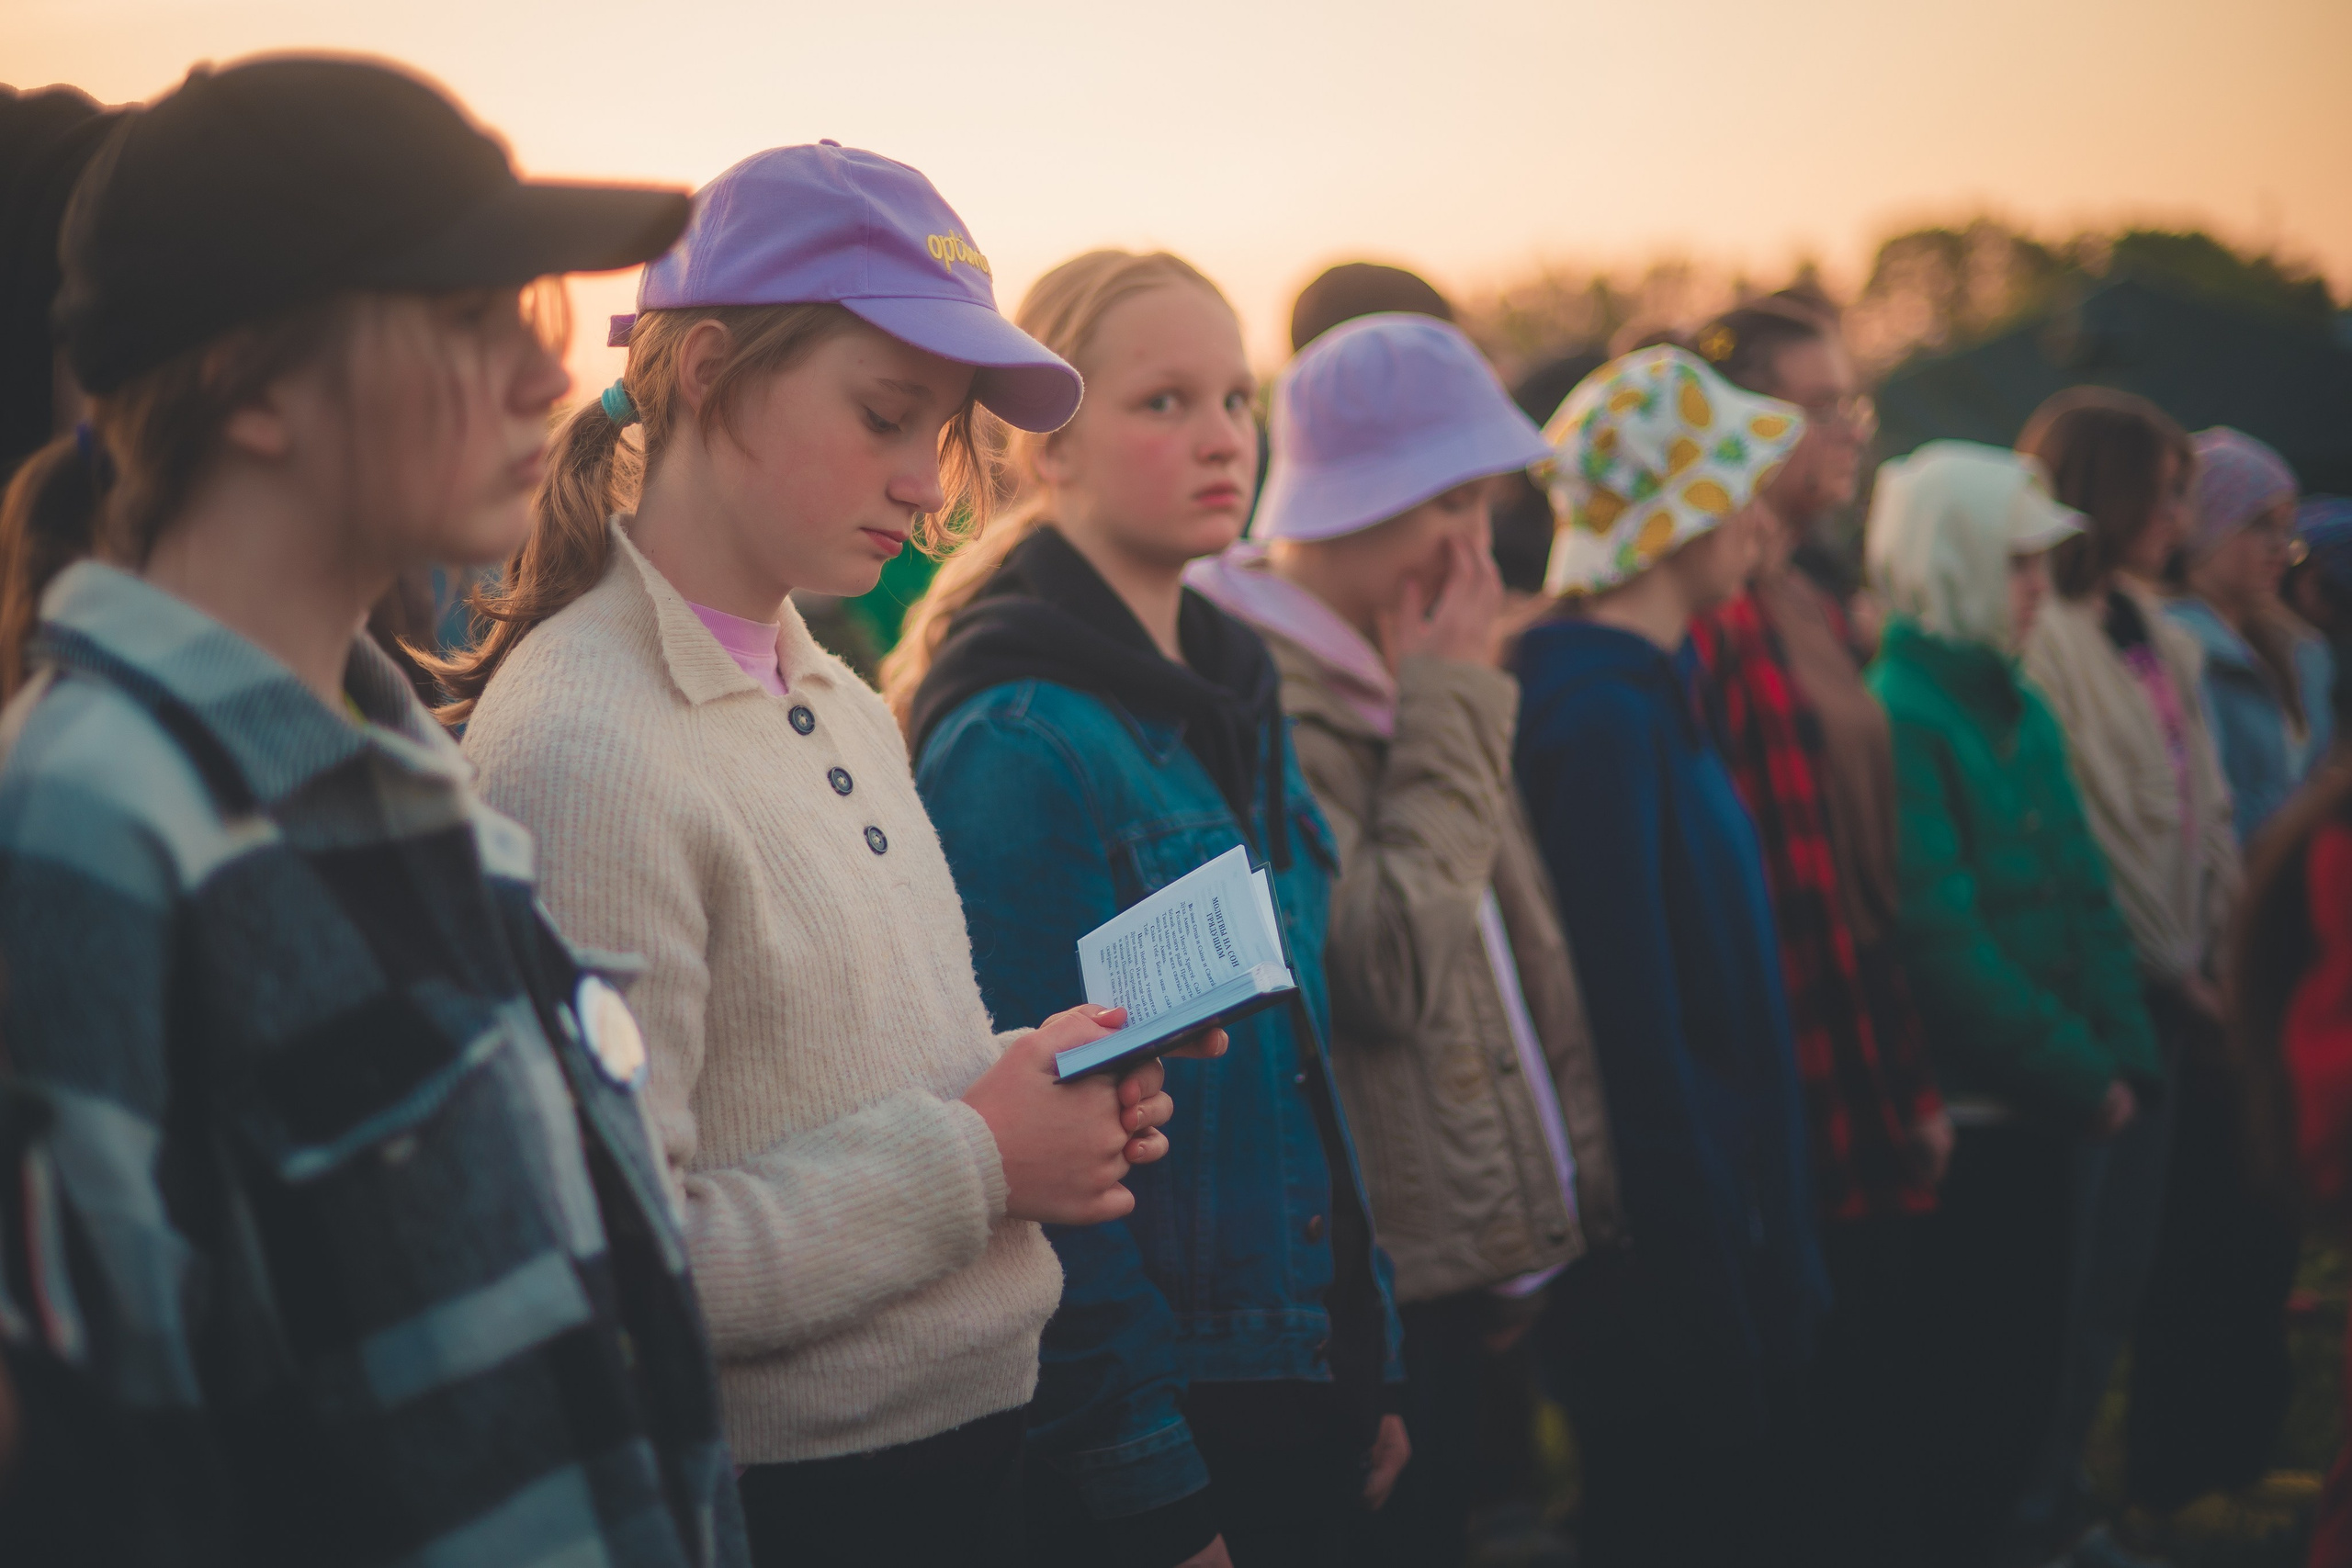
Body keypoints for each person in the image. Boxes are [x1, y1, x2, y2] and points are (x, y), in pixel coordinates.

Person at [0, 56, 751, 1565]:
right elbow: (106, 1487)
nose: (550, 377)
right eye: (473, 322)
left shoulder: (414, 776)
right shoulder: (85, 828)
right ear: (256, 382)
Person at [449, 148, 1199, 1567]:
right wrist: (983, 1150)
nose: (926, 482)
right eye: (882, 416)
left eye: (949, 429)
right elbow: (618, 1261)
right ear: (712, 371)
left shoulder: (839, 687)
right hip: (795, 1504)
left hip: (982, 1455)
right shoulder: (583, 745)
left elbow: (830, 1090)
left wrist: (1027, 1076)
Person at [891, 249, 1405, 1568]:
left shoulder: (1237, 684)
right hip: (1183, 1413)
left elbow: (1303, 1069)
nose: (1224, 438)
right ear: (1042, 446)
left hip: (1303, 1368)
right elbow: (1047, 1171)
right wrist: (1152, 1489)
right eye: (1164, 402)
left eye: (1237, 398)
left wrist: (1369, 1351)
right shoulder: (1020, 736)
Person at [1184, 311, 1624, 1568]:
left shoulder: (1398, 663)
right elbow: (1380, 972)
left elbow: (1507, 939)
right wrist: (1451, 701)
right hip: (1386, 1287)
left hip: (1455, 1255)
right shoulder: (1278, 691)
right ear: (1381, 502)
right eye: (1462, 503)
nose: (1481, 545)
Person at [1513, 344, 1826, 1568]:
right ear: (1676, 510)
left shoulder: (1654, 687)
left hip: (1726, 1237)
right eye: (1733, 479)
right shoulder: (1598, 721)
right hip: (1669, 1290)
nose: (1758, 512)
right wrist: (1713, 1303)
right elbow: (1631, 1036)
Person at [1681, 299, 1950, 1564]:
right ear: (1737, 427)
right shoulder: (1720, 617)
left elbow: (1855, 870)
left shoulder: (1809, 594)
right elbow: (1774, 894)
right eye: (1816, 404)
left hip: (1862, 1039)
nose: (1849, 428)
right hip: (1800, 1073)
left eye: (1856, 401)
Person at [1862, 441, 2161, 1567]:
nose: (2040, 584)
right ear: (1954, 562)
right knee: (1972, 1393)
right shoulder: (1906, 715)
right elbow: (1943, 949)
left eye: (2043, 562)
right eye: (2016, 561)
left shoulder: (2016, 707)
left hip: (2051, 1102)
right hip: (1975, 1121)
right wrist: (2085, 1072)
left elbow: (2084, 898)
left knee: (2036, 1368)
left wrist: (2123, 1056)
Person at [2016, 390, 2267, 1551]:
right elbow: (2091, 834)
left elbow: (2200, 803)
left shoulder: (2153, 627)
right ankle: (2035, 1504)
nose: (2180, 515)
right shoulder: (2048, 637)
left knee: (2117, 1272)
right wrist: (2176, 969)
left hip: (2176, 989)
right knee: (2061, 1279)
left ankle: (2065, 1488)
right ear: (2104, 495)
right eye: (2162, 492)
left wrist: (2220, 942)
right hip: (2107, 993)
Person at [2165, 427, 2329, 841]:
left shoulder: (2297, 646)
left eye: (2287, 528)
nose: (2281, 548)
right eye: (2259, 524)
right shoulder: (2172, 644)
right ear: (2207, 522)